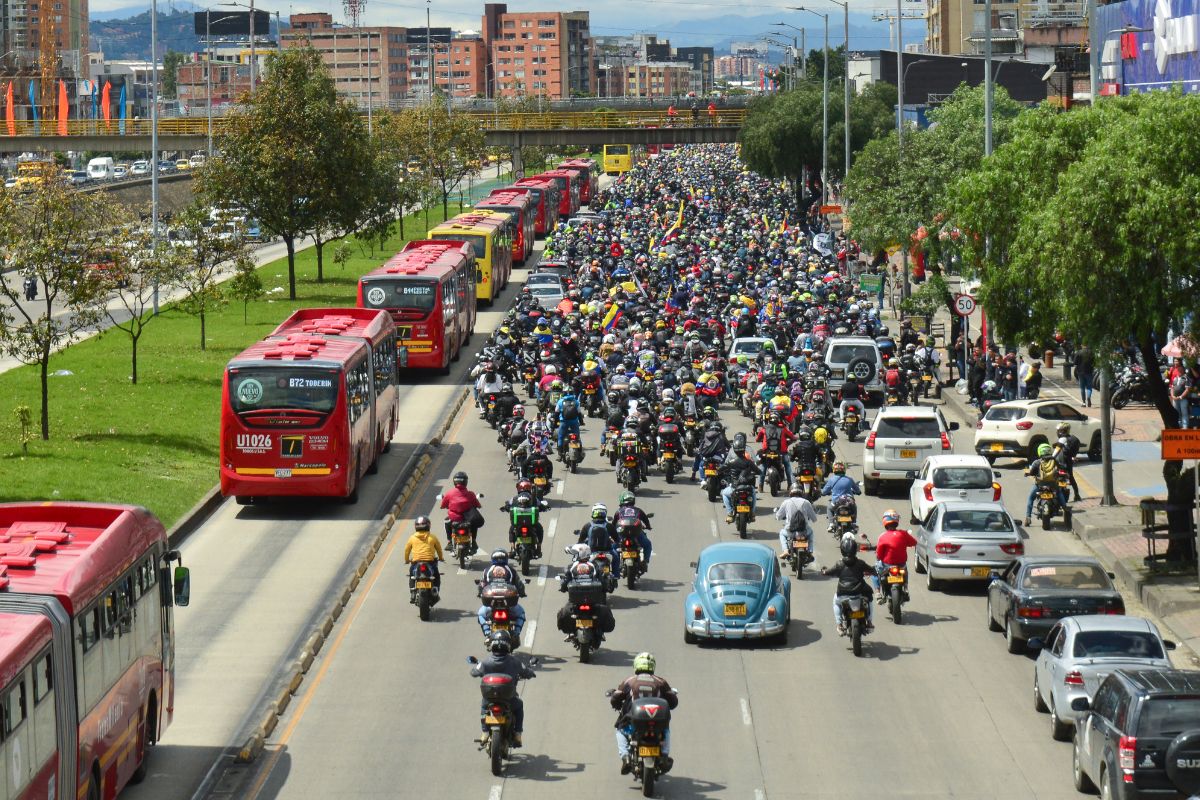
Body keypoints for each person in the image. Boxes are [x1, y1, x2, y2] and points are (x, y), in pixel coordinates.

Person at [609, 652, 679, 774]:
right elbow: (673, 702)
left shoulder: (629, 681)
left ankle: (625, 757)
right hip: (657, 723)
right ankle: (664, 756)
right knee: (665, 730)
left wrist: (617, 705)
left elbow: (616, 698)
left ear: (636, 665)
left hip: (633, 722)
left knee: (620, 730)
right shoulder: (661, 682)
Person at [470, 632, 536, 748]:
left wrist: (479, 672)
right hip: (509, 699)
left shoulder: (485, 662)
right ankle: (517, 734)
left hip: (489, 698)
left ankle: (485, 732)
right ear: (508, 646)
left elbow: (474, 672)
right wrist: (531, 673)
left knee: (484, 707)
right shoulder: (515, 662)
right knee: (519, 706)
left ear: (492, 645)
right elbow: (527, 672)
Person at [821, 535, 875, 634]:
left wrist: (824, 571)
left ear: (842, 550)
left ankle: (839, 625)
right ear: (855, 550)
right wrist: (875, 571)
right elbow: (872, 570)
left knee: (836, 602)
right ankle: (870, 622)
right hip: (859, 592)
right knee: (870, 598)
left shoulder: (839, 564)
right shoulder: (860, 563)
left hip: (843, 593)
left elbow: (828, 572)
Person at [873, 510, 917, 603]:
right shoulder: (903, 534)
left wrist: (879, 557)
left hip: (886, 566)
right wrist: (905, 543)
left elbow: (879, 555)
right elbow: (914, 542)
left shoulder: (883, 536)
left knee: (874, 572)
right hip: (901, 565)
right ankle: (906, 588)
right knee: (905, 571)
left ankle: (878, 592)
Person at [1024, 443, 1067, 527]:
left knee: (1031, 498)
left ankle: (1028, 517)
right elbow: (1061, 467)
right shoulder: (1054, 460)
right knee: (1059, 493)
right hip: (1053, 484)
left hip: (1040, 485)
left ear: (1039, 452)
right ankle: (1065, 509)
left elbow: (1032, 472)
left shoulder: (1037, 462)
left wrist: (1028, 474)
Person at [403, 515, 445, 603]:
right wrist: (441, 558)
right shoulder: (432, 537)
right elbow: (439, 549)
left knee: (412, 576)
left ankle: (412, 592)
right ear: (428, 525)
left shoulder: (412, 538)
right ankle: (435, 591)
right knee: (436, 576)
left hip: (416, 562)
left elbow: (407, 550)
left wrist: (407, 560)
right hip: (430, 562)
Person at [718, 442, 760, 524]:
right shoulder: (749, 462)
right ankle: (752, 513)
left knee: (724, 494)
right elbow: (759, 471)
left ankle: (730, 513)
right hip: (748, 487)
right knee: (754, 494)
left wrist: (718, 471)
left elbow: (722, 468)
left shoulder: (732, 462)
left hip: (734, 488)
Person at [775, 483, 818, 557]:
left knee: (782, 533)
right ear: (801, 492)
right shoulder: (806, 502)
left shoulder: (786, 502)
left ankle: (785, 550)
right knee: (811, 533)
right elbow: (814, 519)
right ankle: (810, 551)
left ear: (790, 492)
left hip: (790, 531)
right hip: (804, 531)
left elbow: (778, 516)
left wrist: (778, 516)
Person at [755, 411, 795, 489]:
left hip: (767, 452)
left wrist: (761, 440)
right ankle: (790, 484)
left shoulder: (764, 428)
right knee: (787, 465)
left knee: (763, 466)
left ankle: (760, 485)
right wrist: (788, 442)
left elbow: (757, 439)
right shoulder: (783, 428)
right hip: (781, 452)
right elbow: (792, 437)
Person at [1054, 422, 1083, 502]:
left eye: (1059, 430)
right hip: (1068, 461)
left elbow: (1056, 451)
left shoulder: (1062, 439)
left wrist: (1051, 458)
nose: (1058, 432)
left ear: (1062, 431)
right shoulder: (1070, 438)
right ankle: (1077, 495)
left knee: (1054, 476)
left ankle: (1055, 495)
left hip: (1060, 462)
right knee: (1071, 477)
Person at [555, 389, 583, 455]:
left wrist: (555, 423)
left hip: (564, 422)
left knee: (560, 437)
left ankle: (560, 453)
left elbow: (556, 413)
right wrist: (581, 422)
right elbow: (579, 413)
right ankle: (579, 451)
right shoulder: (576, 401)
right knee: (577, 436)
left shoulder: (560, 401)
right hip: (574, 422)